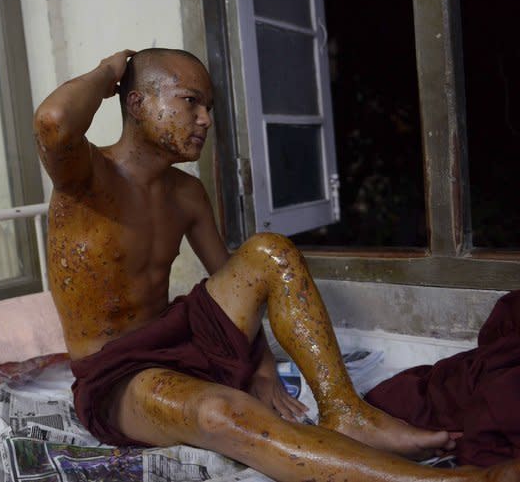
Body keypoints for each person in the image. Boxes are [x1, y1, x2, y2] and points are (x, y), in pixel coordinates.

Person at [34, 48, 519, 482]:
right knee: (219, 415)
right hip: (117, 377)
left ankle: (346, 411)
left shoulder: (186, 194)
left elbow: (235, 282)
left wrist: (261, 366)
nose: (204, 119)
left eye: (209, 108)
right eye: (190, 102)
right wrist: (108, 71)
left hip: (173, 338)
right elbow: (53, 121)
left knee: (268, 250)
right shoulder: (85, 178)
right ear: (137, 104)